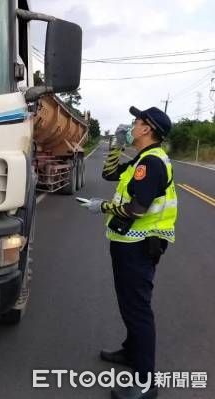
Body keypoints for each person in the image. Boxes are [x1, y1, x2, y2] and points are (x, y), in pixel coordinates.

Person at [80, 106, 178, 399]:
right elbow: (110, 173)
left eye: (136, 122)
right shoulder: (141, 160)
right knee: (128, 304)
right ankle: (130, 352)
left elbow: (137, 208)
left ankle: (147, 383)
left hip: (139, 245)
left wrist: (103, 207)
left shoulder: (153, 164)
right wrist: (115, 145)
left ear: (148, 129)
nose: (132, 125)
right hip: (127, 243)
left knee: (137, 310)